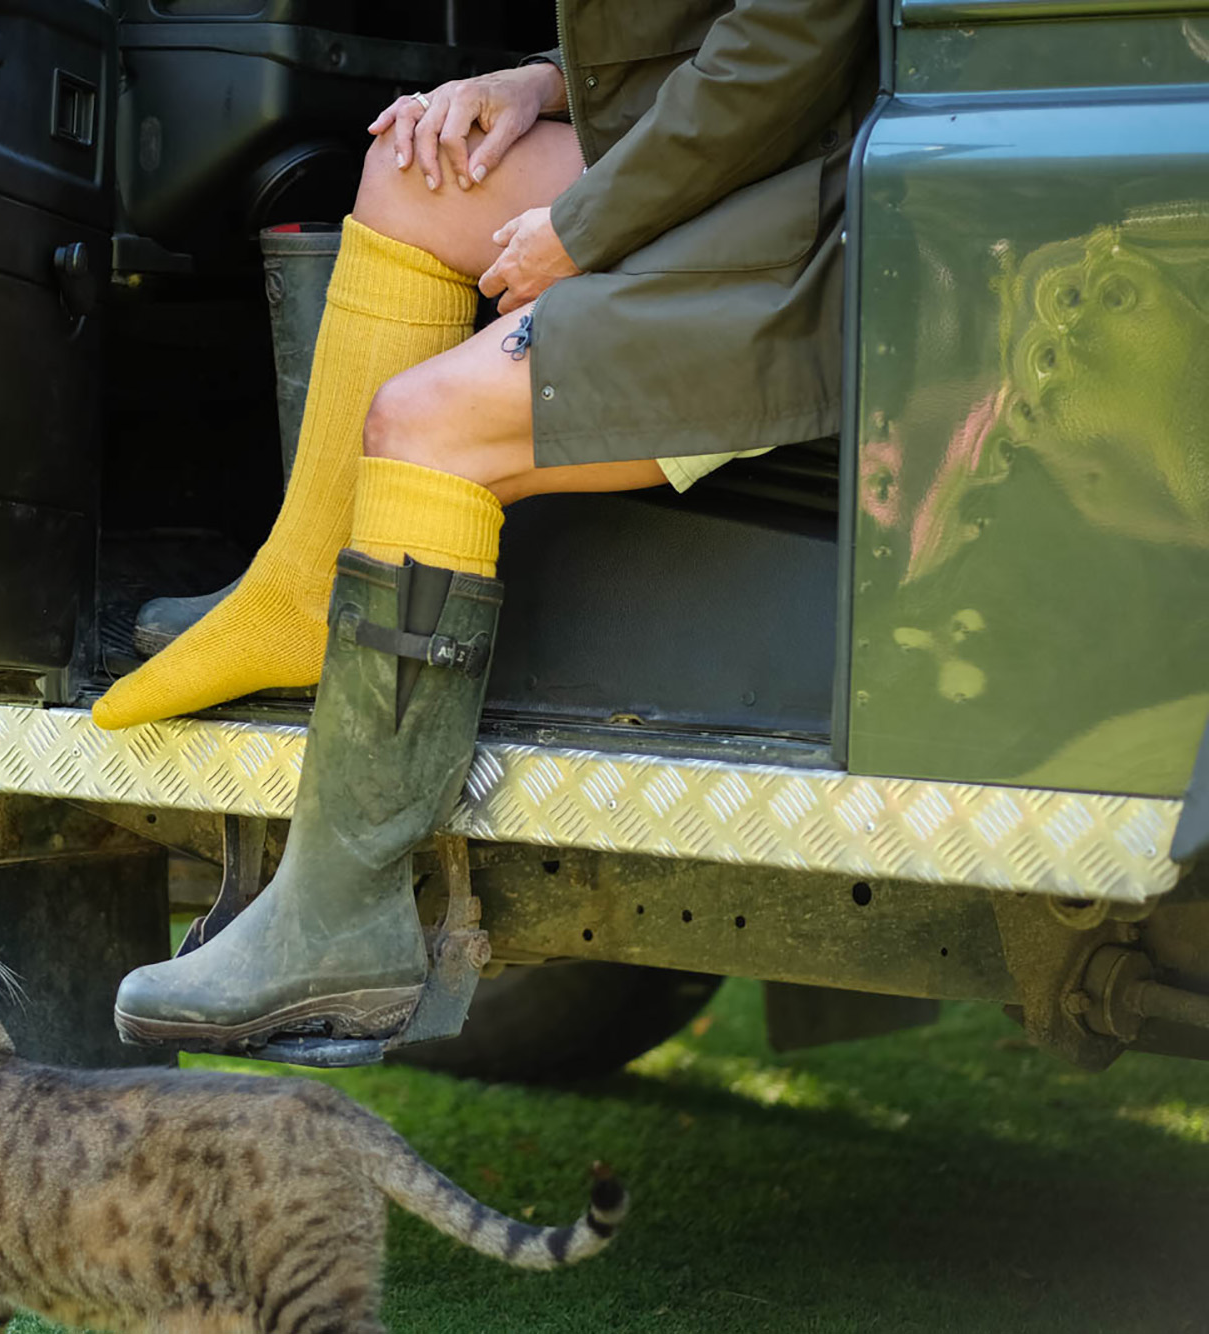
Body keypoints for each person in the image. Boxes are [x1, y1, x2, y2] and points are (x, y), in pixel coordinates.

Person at [107, 0, 878, 1051]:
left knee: (421, 423)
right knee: (414, 168)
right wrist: (538, 82)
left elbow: (789, 42)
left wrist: (586, 226)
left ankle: (343, 916)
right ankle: (299, 592)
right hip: (748, 174)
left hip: (820, 227)